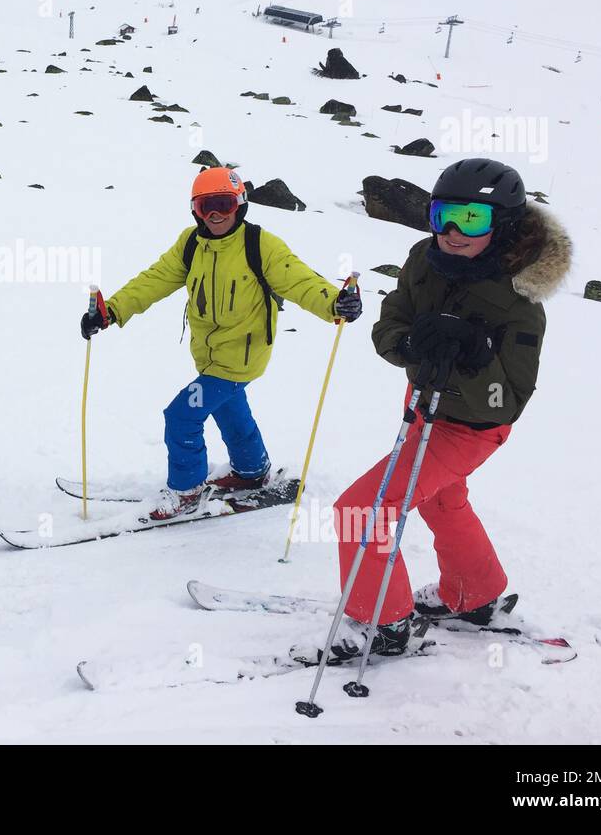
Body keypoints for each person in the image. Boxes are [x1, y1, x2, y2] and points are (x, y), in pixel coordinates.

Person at [304, 157, 571, 663]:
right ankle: (474, 595)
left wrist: (474, 355)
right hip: (422, 407)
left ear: (504, 224)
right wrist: (413, 344)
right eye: (443, 213)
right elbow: (391, 323)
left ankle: (382, 623)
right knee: (442, 499)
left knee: (362, 512)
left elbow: (506, 403)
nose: (452, 231)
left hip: (471, 428)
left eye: (472, 219)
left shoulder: (520, 302)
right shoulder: (425, 259)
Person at [81, 167, 362, 520]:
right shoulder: (190, 245)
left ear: (240, 205)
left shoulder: (260, 246)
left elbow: (300, 280)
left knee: (181, 416)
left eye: (223, 205)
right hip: (209, 356)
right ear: (195, 211)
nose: (215, 215)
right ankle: (252, 470)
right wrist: (112, 311)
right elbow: (153, 280)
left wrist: (334, 302)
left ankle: (186, 493)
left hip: (242, 358)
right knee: (230, 408)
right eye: (205, 207)